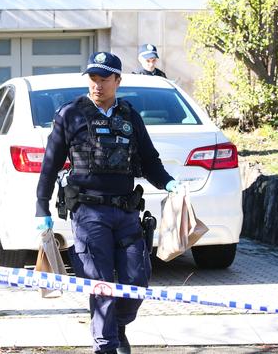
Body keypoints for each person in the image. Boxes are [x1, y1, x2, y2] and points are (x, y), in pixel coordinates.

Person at [34, 51, 179, 354]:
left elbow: (150, 161)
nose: (97, 85)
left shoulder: (130, 116)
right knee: (99, 284)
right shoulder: (70, 114)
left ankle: (117, 325)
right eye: (93, 79)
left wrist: (169, 184)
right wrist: (41, 207)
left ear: (118, 80)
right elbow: (50, 165)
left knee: (136, 284)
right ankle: (106, 345)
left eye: (104, 79)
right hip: (88, 212)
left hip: (126, 212)